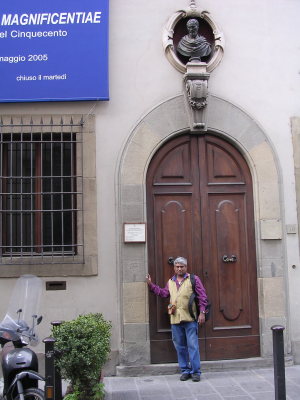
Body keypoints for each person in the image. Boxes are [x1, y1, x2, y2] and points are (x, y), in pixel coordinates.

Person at [146, 256, 207, 382]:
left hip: (190, 318)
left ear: (186, 267)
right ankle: (185, 370)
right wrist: (151, 285)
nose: (179, 269)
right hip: (175, 319)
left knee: (193, 346)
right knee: (180, 347)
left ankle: (196, 372)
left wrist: (202, 312)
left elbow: (202, 296)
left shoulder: (193, 279)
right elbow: (164, 293)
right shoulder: (171, 282)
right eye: (177, 267)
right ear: (174, 268)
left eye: (182, 266)